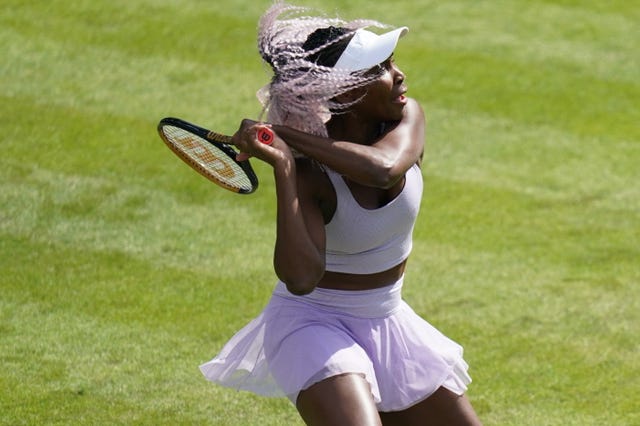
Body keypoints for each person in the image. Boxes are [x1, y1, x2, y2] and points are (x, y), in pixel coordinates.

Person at [200, 2, 482, 425]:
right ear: (348, 91)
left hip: (388, 319)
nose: (399, 74)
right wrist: (284, 166)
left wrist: (285, 136)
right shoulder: (309, 174)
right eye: (381, 68)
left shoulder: (407, 118)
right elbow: (300, 278)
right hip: (312, 326)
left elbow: (382, 169)